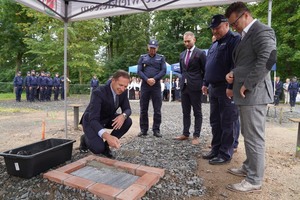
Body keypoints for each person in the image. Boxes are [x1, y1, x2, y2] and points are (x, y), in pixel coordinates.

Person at [225, 2, 277, 193]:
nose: (233, 27)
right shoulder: (245, 35)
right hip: (247, 94)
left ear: (245, 15)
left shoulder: (262, 31)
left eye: (234, 22)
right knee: (248, 134)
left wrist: (248, 83)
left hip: (254, 93)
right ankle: (249, 166)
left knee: (254, 137)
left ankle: (254, 179)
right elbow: (247, 62)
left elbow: (268, 58)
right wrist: (234, 74)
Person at [201, 14, 240, 165]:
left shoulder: (234, 40)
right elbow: (209, 66)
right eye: (212, 29)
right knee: (215, 121)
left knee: (227, 121)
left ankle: (225, 153)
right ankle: (216, 149)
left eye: (217, 28)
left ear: (226, 25)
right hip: (213, 87)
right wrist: (205, 82)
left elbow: (236, 65)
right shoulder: (214, 44)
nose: (214, 31)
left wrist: (231, 86)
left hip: (226, 88)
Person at [79, 70, 132, 158]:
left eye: (125, 86)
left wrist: (123, 116)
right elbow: (93, 119)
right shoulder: (98, 92)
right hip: (91, 121)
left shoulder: (123, 92)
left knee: (127, 121)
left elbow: (127, 109)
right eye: (120, 85)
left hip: (106, 118)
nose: (123, 89)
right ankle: (84, 139)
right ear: (113, 81)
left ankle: (106, 146)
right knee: (98, 149)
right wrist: (107, 136)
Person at [174, 31, 206, 145]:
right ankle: (185, 133)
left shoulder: (200, 53)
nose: (186, 43)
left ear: (194, 40)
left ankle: (196, 135)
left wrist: (204, 84)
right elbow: (183, 71)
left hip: (196, 86)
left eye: (188, 41)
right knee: (185, 111)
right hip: (184, 86)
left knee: (197, 112)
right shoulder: (182, 55)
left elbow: (205, 70)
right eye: (185, 41)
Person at [137, 39, 166, 138]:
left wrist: (154, 79)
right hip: (145, 85)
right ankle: (143, 130)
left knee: (157, 109)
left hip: (156, 86)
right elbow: (139, 71)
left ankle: (156, 129)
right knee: (143, 108)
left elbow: (163, 71)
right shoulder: (142, 57)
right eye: (151, 48)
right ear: (148, 47)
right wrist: (146, 79)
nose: (152, 50)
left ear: (157, 48)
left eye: (154, 48)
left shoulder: (161, 58)